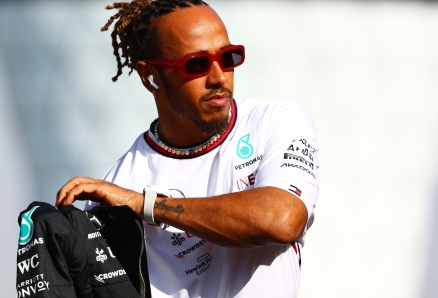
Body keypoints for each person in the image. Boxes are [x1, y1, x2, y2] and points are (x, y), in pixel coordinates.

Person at [56, 0, 320, 297]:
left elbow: (282, 220)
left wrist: (148, 206)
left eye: (229, 57)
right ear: (150, 76)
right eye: (196, 64)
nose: (219, 78)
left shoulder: (275, 120)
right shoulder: (117, 187)